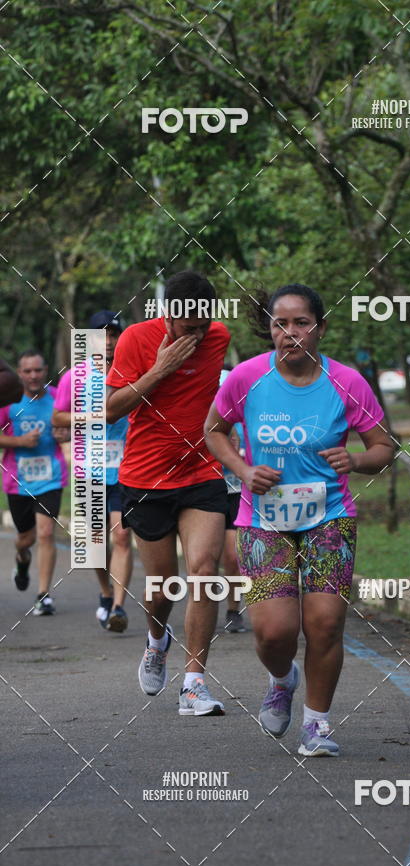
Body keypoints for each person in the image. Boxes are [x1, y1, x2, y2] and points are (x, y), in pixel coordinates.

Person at [204, 284, 394, 756]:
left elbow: (384, 447)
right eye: (280, 324)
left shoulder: (347, 382)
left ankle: (317, 725)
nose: (291, 333)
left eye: (301, 323)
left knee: (326, 624)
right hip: (262, 520)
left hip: (329, 516)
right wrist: (245, 470)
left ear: (321, 328)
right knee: (274, 633)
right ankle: (282, 677)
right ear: (270, 330)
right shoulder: (246, 377)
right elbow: (213, 430)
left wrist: (357, 461)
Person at [106, 270, 230, 716]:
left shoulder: (219, 337)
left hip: (202, 471)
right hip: (146, 478)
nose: (196, 336)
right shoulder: (136, 340)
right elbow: (108, 410)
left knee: (203, 570)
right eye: (187, 328)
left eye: (203, 326)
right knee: (162, 588)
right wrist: (160, 369)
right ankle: (157, 640)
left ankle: (194, 682)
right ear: (167, 316)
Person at [52, 311, 133, 632]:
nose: (109, 341)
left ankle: (118, 609)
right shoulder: (75, 376)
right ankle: (105, 591)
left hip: (125, 470)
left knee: (123, 536)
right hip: (89, 471)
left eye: (114, 334)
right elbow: (58, 418)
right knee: (96, 545)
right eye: (102, 334)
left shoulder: (131, 373)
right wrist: (91, 418)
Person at [0, 350, 68, 615]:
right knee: (25, 539)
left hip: (51, 477)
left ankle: (43, 595)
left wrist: (66, 433)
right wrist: (19, 442)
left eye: (38, 370)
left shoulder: (56, 398)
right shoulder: (10, 400)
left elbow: (73, 425)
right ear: (19, 373)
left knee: (46, 532)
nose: (33, 376)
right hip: (17, 481)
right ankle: (22, 559)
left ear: (46, 370)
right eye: (27, 371)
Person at [219, 368, 247, 634]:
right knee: (201, 557)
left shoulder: (244, 416)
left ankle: (232, 609)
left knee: (232, 554)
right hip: (201, 488)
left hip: (234, 489)